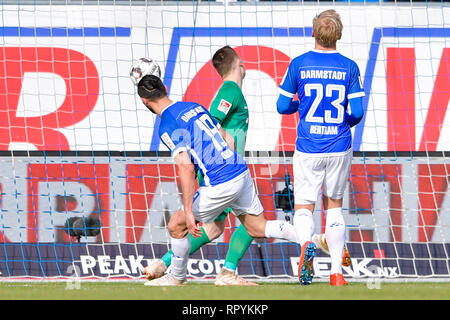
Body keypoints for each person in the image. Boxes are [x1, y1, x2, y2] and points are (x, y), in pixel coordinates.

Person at [137, 74, 298, 286]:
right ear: (165, 88)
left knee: (176, 225)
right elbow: (227, 138)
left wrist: (188, 209)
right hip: (239, 171)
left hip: (221, 182)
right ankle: (311, 239)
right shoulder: (194, 106)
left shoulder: (167, 124)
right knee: (258, 227)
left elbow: (186, 166)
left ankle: (176, 276)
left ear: (144, 101)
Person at [276, 9, 364, 286]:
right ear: (339, 34)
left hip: (308, 146)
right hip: (339, 144)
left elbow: (281, 106)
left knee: (304, 206)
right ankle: (337, 274)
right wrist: (344, 121)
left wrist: (299, 106)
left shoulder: (299, 63)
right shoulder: (349, 66)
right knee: (335, 206)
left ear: (313, 32)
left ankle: (305, 245)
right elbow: (358, 112)